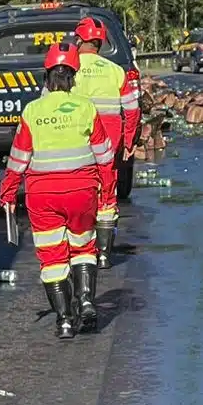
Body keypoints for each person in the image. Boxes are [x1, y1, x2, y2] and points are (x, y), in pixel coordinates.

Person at [0, 42, 115, 338]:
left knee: (52, 258)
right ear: (73, 78)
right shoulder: (86, 108)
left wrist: (8, 193)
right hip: (82, 192)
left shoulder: (32, 112)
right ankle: (87, 300)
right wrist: (107, 191)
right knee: (83, 246)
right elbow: (104, 156)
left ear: (46, 78)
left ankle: (64, 320)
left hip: (42, 196)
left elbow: (18, 159)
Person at [70, 15, 140, 267]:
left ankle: (79, 248)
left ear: (79, 40)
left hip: (76, 144)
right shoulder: (116, 71)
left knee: (77, 192)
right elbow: (132, 110)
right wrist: (130, 140)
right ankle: (103, 254)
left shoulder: (69, 69)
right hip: (109, 147)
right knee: (106, 196)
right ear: (100, 43)